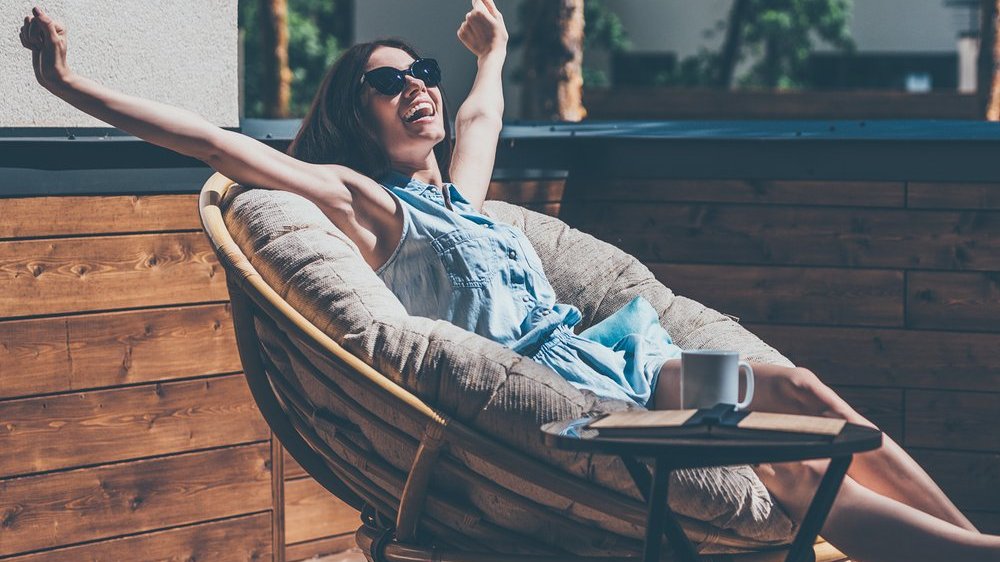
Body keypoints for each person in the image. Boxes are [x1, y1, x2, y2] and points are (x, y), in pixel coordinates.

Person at [19, 4, 1000, 561]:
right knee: (782, 463)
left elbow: (482, 119)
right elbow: (223, 145)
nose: (419, 84)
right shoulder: (370, 204)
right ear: (354, 113)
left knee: (795, 397)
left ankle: (963, 538)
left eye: (424, 70)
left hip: (618, 361)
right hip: (565, 400)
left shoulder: (468, 203)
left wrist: (487, 57)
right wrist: (70, 90)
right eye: (388, 77)